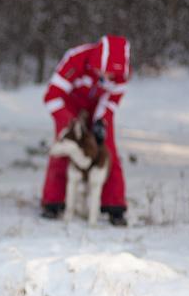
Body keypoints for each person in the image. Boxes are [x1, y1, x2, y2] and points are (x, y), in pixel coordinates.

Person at [40, 35, 130, 227]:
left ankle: (114, 205)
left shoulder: (121, 74)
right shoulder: (76, 59)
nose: (106, 78)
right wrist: (69, 122)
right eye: (103, 73)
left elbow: (112, 100)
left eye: (111, 76)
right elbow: (51, 96)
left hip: (97, 107)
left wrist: (101, 120)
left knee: (108, 149)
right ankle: (53, 202)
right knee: (64, 148)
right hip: (69, 107)